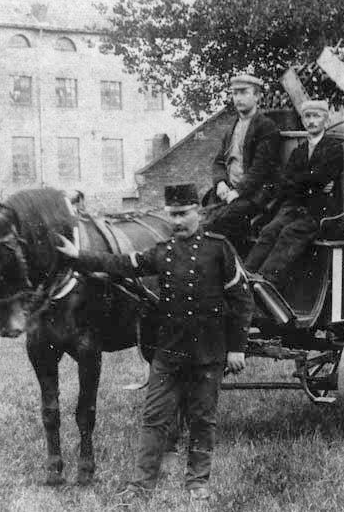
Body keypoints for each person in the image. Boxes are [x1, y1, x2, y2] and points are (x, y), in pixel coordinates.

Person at [56, 184, 253, 501]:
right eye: (172, 214)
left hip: (208, 351)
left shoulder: (220, 249)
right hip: (169, 350)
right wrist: (78, 256)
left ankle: (197, 483)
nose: (177, 221)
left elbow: (242, 300)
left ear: (197, 213)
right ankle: (141, 485)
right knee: (153, 418)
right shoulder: (162, 252)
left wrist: (237, 347)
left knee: (203, 419)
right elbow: (119, 263)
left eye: (183, 214)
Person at [244, 100, 344, 289]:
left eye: (317, 116)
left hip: (320, 211)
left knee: (290, 232)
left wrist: (301, 180)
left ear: (326, 120)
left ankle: (265, 282)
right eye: (307, 116)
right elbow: (288, 181)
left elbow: (322, 176)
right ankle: (245, 275)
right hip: (296, 206)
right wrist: (311, 181)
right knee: (269, 230)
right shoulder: (299, 151)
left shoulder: (333, 148)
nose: (311, 121)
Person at [205, 74, 281, 254]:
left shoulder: (266, 127)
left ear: (257, 96)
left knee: (216, 224)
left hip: (256, 194)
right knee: (198, 216)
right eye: (235, 93)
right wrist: (221, 183)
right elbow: (218, 162)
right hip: (229, 191)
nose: (238, 98)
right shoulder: (232, 128)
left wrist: (238, 192)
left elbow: (260, 169)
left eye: (244, 93)